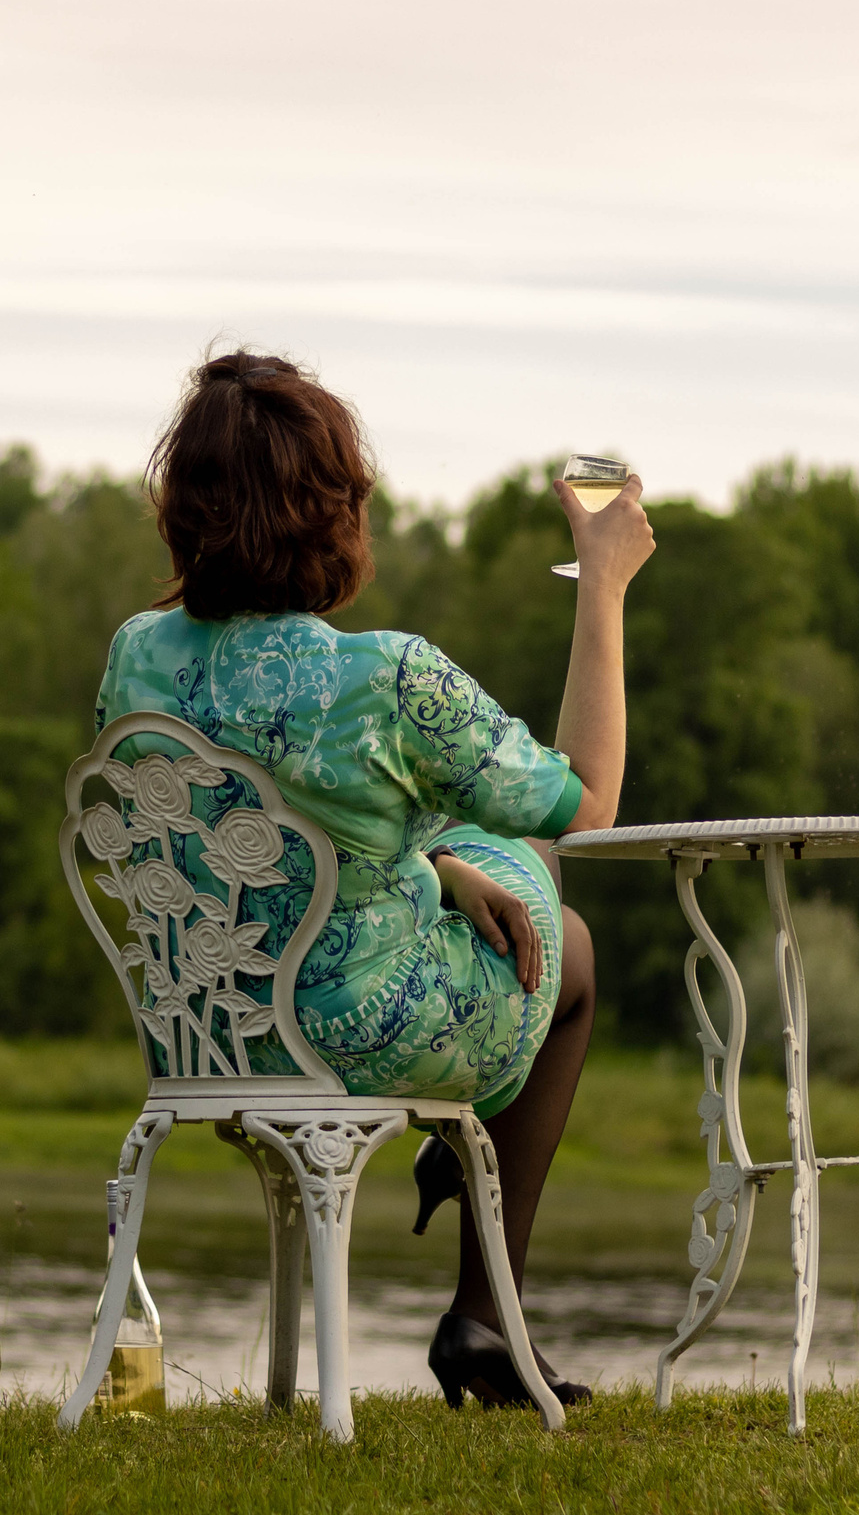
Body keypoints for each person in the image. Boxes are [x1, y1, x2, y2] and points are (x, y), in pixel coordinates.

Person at [93, 350, 655, 1409]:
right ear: (334, 513)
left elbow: (230, 828)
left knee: (484, 858)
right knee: (564, 933)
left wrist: (440, 866)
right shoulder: (383, 677)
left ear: (182, 507)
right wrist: (604, 585)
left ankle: (473, 1181)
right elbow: (586, 801)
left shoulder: (135, 657)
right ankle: (484, 1306)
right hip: (357, 1035)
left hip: (207, 1029)